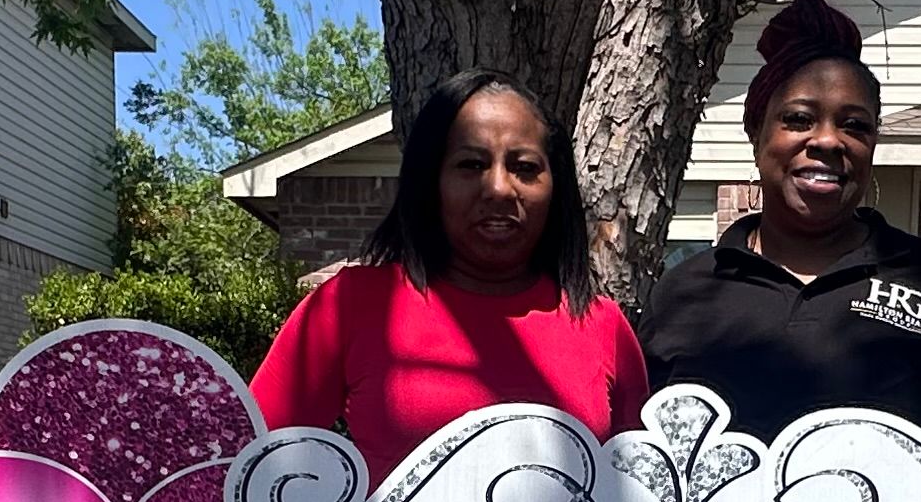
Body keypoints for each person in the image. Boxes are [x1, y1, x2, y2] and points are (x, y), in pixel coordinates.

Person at [641, 0, 921, 488]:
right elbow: (638, 465)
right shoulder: (683, 293)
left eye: (854, 126)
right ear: (756, 131)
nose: (827, 141)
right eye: (799, 119)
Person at [251, 67, 651, 476]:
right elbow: (246, 466)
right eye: (471, 164)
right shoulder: (351, 306)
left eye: (526, 167)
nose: (499, 188)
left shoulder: (604, 326)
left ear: (556, 186)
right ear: (431, 180)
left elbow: (642, 495)